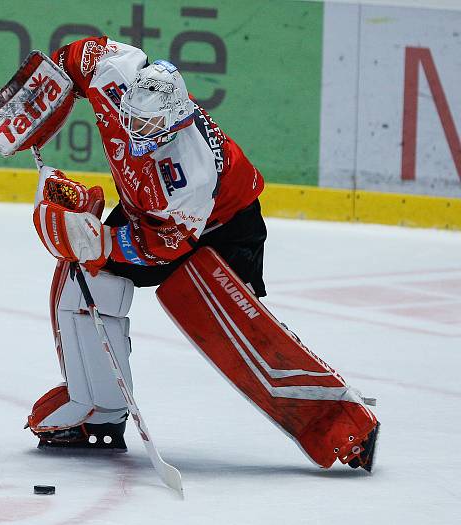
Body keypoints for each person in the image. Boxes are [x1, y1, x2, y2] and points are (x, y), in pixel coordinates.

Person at [27, 36, 379, 470]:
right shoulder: (113, 74)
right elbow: (73, 58)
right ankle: (98, 409)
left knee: (236, 329)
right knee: (83, 283)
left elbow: (159, 248)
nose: (139, 133)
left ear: (176, 120)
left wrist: (95, 241)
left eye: (152, 129)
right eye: (132, 120)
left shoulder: (187, 173)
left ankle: (337, 420)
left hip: (224, 226)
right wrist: (40, 96)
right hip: (149, 214)